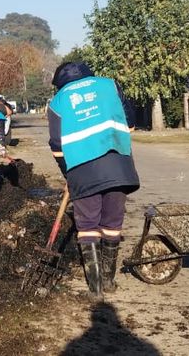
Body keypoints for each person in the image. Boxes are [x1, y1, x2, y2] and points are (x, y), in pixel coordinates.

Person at [47, 62, 140, 298]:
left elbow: (57, 145)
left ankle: (95, 289)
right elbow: (130, 123)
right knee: (112, 223)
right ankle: (108, 281)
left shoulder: (57, 102)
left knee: (87, 225)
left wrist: (68, 174)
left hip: (82, 170)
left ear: (59, 83)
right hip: (118, 166)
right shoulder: (110, 85)